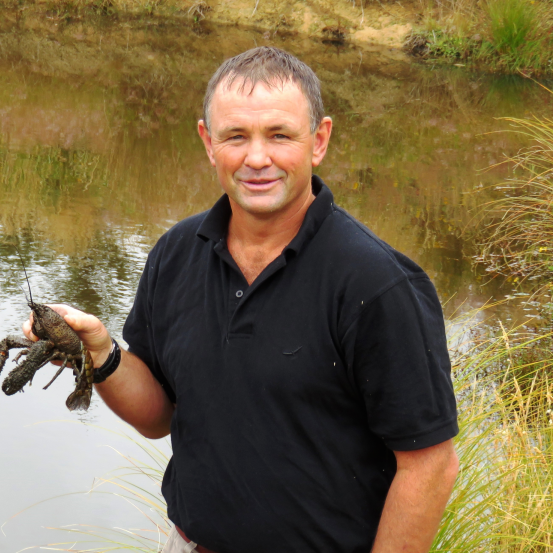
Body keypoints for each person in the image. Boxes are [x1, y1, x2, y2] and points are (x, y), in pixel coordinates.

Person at [24, 47, 459, 553]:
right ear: (208, 143)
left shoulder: (377, 284)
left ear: (319, 141)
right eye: (236, 136)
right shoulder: (175, 253)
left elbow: (430, 464)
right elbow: (157, 416)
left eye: (279, 135)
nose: (257, 158)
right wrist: (100, 351)